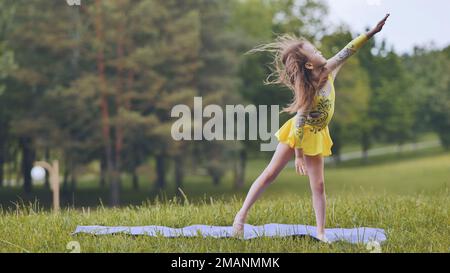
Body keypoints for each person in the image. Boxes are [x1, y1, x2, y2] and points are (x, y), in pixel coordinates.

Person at [232, 14, 390, 243]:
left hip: (317, 135)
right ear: (308, 64)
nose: (321, 52)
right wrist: (297, 155)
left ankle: (321, 232)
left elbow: (348, 50)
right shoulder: (307, 91)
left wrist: (371, 33)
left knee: (319, 184)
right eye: (315, 51)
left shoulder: (330, 69)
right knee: (270, 174)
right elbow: (299, 121)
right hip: (298, 135)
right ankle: (241, 216)